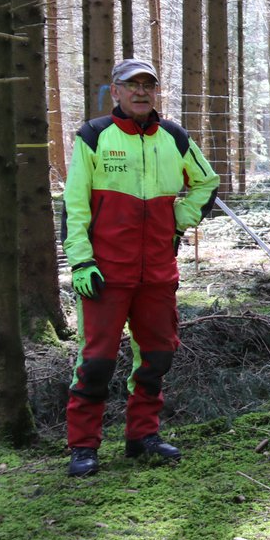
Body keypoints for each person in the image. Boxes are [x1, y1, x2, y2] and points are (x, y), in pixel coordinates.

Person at [62, 59, 220, 477]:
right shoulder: (94, 136)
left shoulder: (174, 136)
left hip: (157, 273)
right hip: (104, 272)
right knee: (95, 362)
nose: (141, 93)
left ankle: (142, 437)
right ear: (115, 91)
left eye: (148, 85)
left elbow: (206, 182)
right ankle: (83, 446)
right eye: (132, 86)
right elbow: (74, 205)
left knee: (157, 356)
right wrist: (80, 260)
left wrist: (178, 220)